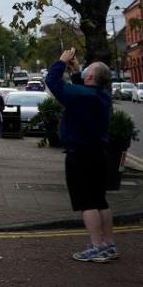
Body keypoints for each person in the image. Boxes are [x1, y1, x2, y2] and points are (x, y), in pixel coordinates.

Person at [45, 48, 117, 263]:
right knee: (100, 200)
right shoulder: (101, 96)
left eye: (88, 69)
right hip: (98, 152)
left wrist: (61, 62)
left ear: (91, 76)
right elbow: (81, 93)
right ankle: (109, 244)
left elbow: (54, 83)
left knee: (87, 202)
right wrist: (76, 72)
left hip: (80, 154)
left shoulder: (83, 96)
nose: (85, 70)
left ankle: (96, 247)